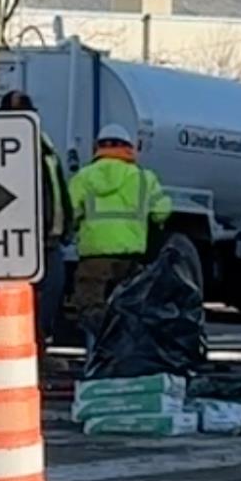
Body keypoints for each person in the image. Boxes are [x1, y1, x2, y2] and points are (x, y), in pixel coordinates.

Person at [65, 123, 171, 338]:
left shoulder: (83, 178)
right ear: (129, 147)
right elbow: (162, 212)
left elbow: (70, 213)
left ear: (98, 147)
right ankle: (123, 355)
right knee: (129, 309)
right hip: (130, 258)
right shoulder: (143, 178)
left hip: (93, 257)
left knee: (91, 308)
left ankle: (95, 357)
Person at [0, 90, 71, 337]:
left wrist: (65, 226)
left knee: (51, 295)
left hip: (49, 239)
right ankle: (29, 347)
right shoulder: (3, 148)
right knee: (24, 301)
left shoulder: (42, 143)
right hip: (24, 242)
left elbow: (56, 186)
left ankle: (38, 346)